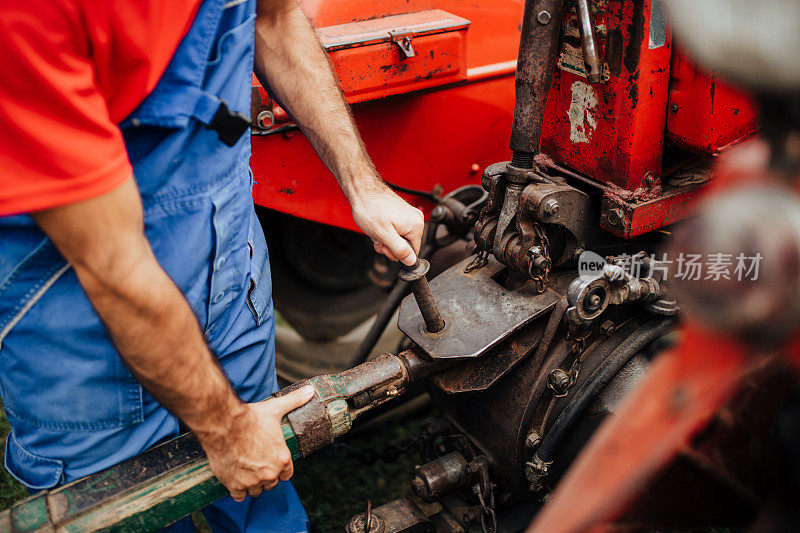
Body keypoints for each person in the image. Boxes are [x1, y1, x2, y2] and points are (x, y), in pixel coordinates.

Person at [0, 0, 424, 530]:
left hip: (229, 279)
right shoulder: (28, 20)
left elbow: (273, 18)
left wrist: (364, 185)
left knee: (266, 508)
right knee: (133, 516)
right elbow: (114, 268)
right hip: (82, 331)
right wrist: (227, 431)